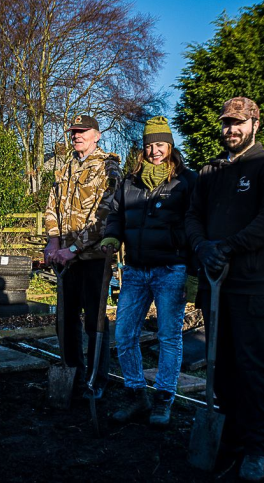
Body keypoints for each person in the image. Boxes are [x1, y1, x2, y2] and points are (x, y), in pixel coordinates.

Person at [186, 97, 264, 481]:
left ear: (255, 125)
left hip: (251, 288)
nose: (232, 129)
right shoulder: (210, 171)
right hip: (215, 286)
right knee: (222, 368)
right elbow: (193, 215)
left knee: (252, 369)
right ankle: (227, 439)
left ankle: (256, 447)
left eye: (239, 123)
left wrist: (227, 247)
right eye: (227, 123)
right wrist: (201, 247)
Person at [101, 116, 198, 428]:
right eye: (149, 145)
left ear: (170, 146)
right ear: (142, 149)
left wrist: (193, 275)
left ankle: (164, 397)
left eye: (160, 144)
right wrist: (112, 235)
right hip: (136, 270)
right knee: (124, 333)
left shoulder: (186, 182)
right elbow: (116, 214)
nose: (155, 150)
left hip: (171, 270)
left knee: (169, 336)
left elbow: (197, 225)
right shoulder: (130, 182)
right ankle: (135, 393)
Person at [44, 114, 122, 399]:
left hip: (93, 259)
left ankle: (96, 380)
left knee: (95, 323)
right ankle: (73, 376)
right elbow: (52, 206)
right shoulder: (64, 168)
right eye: (74, 132)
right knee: (65, 321)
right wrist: (54, 242)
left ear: (97, 135)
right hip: (65, 261)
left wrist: (73, 248)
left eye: (83, 131)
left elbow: (105, 217)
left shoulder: (108, 168)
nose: (77, 136)